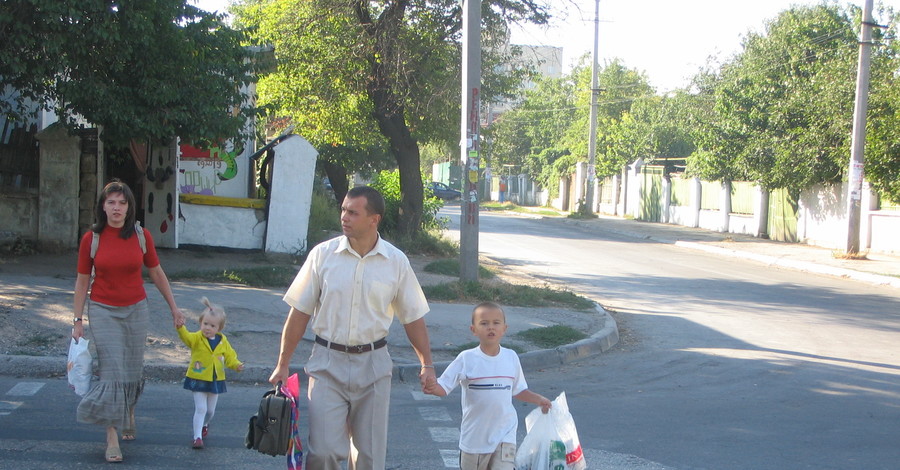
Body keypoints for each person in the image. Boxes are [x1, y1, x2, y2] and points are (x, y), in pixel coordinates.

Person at [269, 185, 435, 470]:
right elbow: (299, 313)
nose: (344, 217)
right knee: (323, 453)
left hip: (374, 365)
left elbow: (413, 317)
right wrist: (282, 363)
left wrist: (427, 365)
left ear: (374, 219)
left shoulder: (396, 262)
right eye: (343, 210)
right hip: (327, 363)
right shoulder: (323, 255)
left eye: (353, 212)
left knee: (369, 456)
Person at [72, 179, 185, 463]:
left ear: (129, 207)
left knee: (133, 369)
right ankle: (112, 436)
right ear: (103, 206)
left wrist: (174, 308)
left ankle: (129, 409)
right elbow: (82, 280)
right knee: (112, 370)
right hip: (102, 309)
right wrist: (77, 319)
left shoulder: (141, 235)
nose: (116, 208)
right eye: (111, 202)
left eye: (122, 203)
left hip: (136, 309)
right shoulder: (92, 239)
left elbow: (156, 273)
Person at [424, 301, 551, 470]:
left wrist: (539, 399)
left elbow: (518, 389)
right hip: (474, 439)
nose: (490, 327)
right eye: (484, 323)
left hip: (505, 435)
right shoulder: (467, 358)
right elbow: (444, 386)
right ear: (473, 330)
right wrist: (432, 387)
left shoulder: (511, 357)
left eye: (496, 323)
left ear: (504, 328)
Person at [176, 296, 243, 449]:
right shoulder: (197, 338)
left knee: (210, 411)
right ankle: (197, 437)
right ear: (200, 323)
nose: (207, 327)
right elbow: (186, 337)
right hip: (198, 377)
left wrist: (236, 365)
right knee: (201, 408)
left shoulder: (222, 341)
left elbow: (230, 356)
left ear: (219, 328)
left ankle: (205, 424)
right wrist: (180, 328)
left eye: (212, 325)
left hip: (216, 380)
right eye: (205, 323)